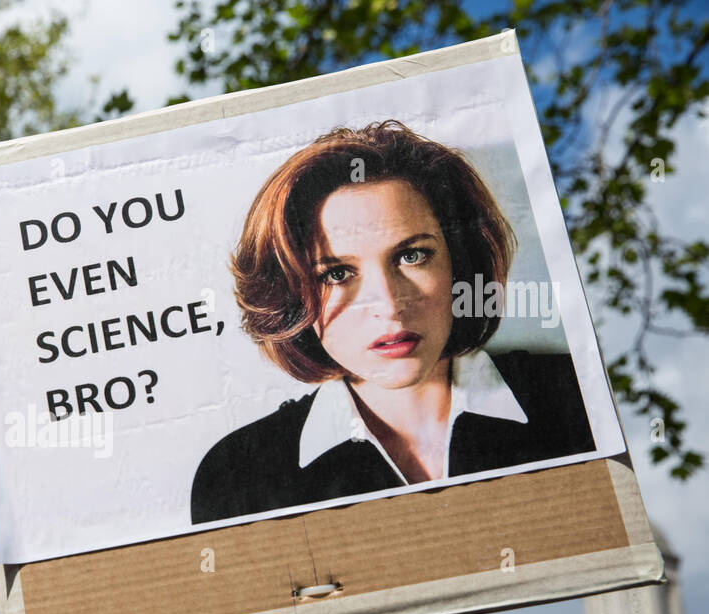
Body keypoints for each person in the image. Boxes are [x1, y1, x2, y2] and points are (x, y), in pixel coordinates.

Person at [191, 120, 595, 525]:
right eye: (336, 274)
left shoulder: (577, 397)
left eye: (412, 256)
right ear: (291, 297)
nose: (388, 304)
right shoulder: (237, 477)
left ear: (460, 261)